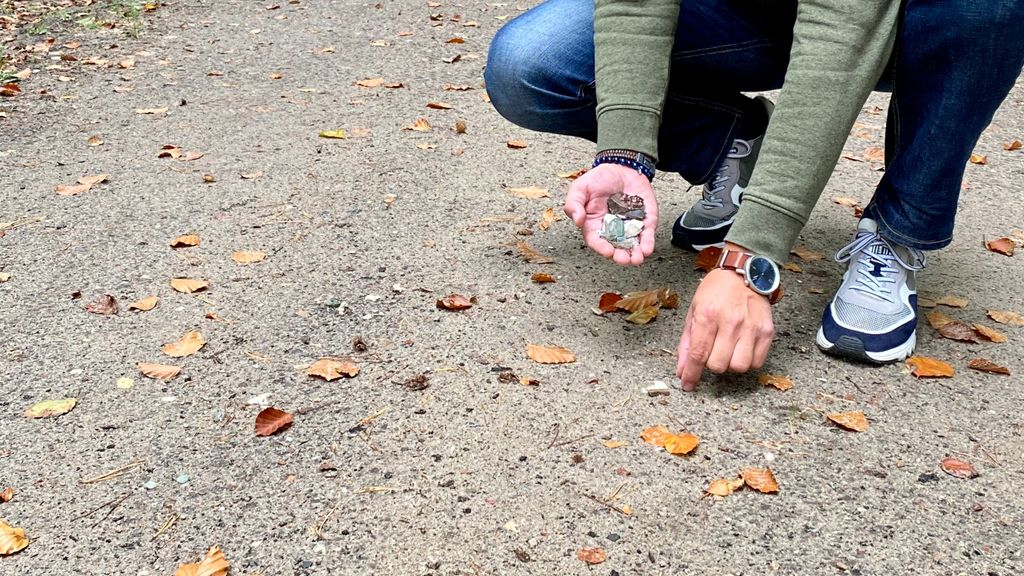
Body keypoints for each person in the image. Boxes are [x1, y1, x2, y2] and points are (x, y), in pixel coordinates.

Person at [484, 0, 1024, 389]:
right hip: (749, 13)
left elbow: (838, 33)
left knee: (985, 7)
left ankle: (897, 230)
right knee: (530, 62)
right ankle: (730, 138)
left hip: (902, 17)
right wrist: (624, 151)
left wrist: (751, 255)